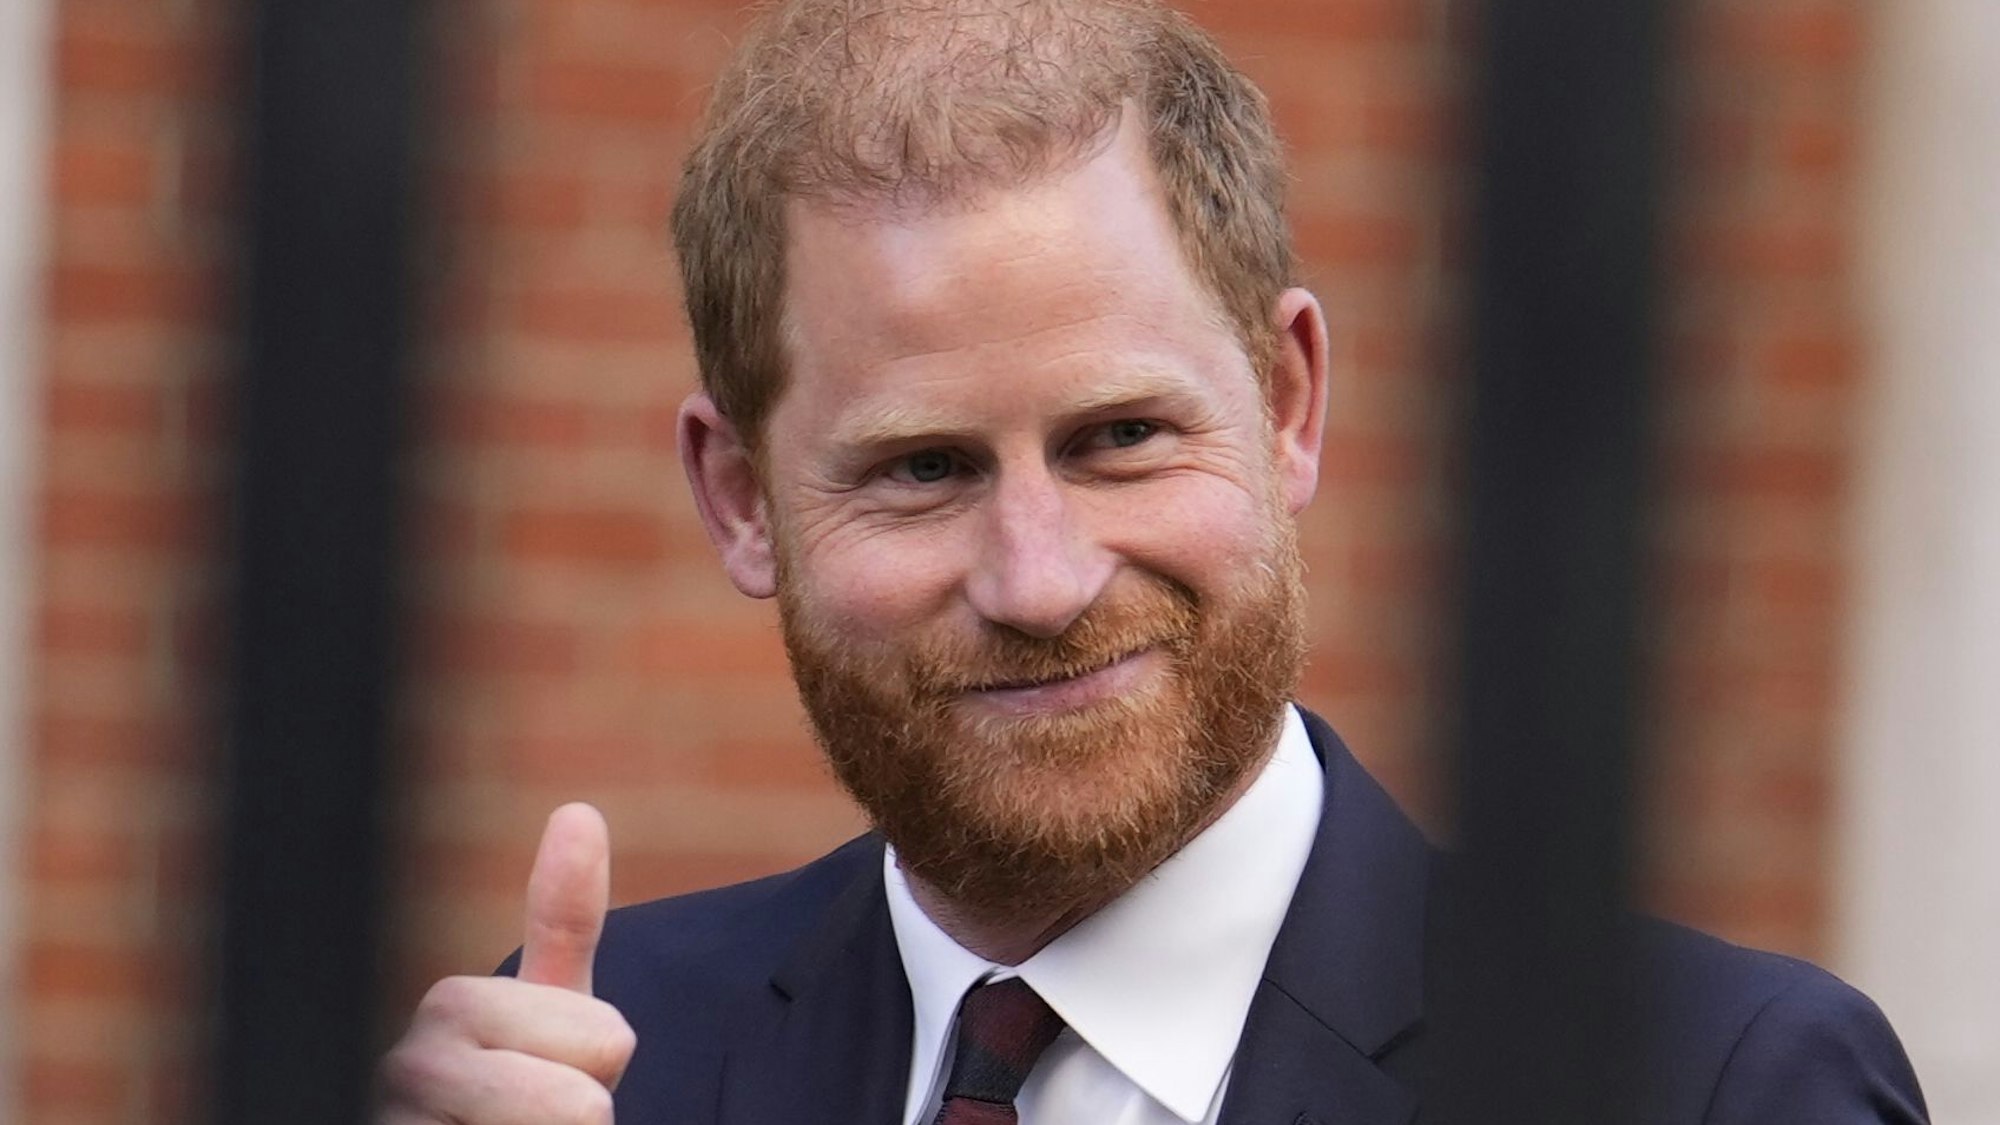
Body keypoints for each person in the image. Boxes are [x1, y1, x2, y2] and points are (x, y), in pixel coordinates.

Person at [376, 2, 1929, 1122]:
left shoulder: (1710, 1084)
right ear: (737, 498)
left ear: (1292, 402)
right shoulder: (596, 1062)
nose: (1041, 577)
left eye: (1121, 436)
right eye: (924, 468)